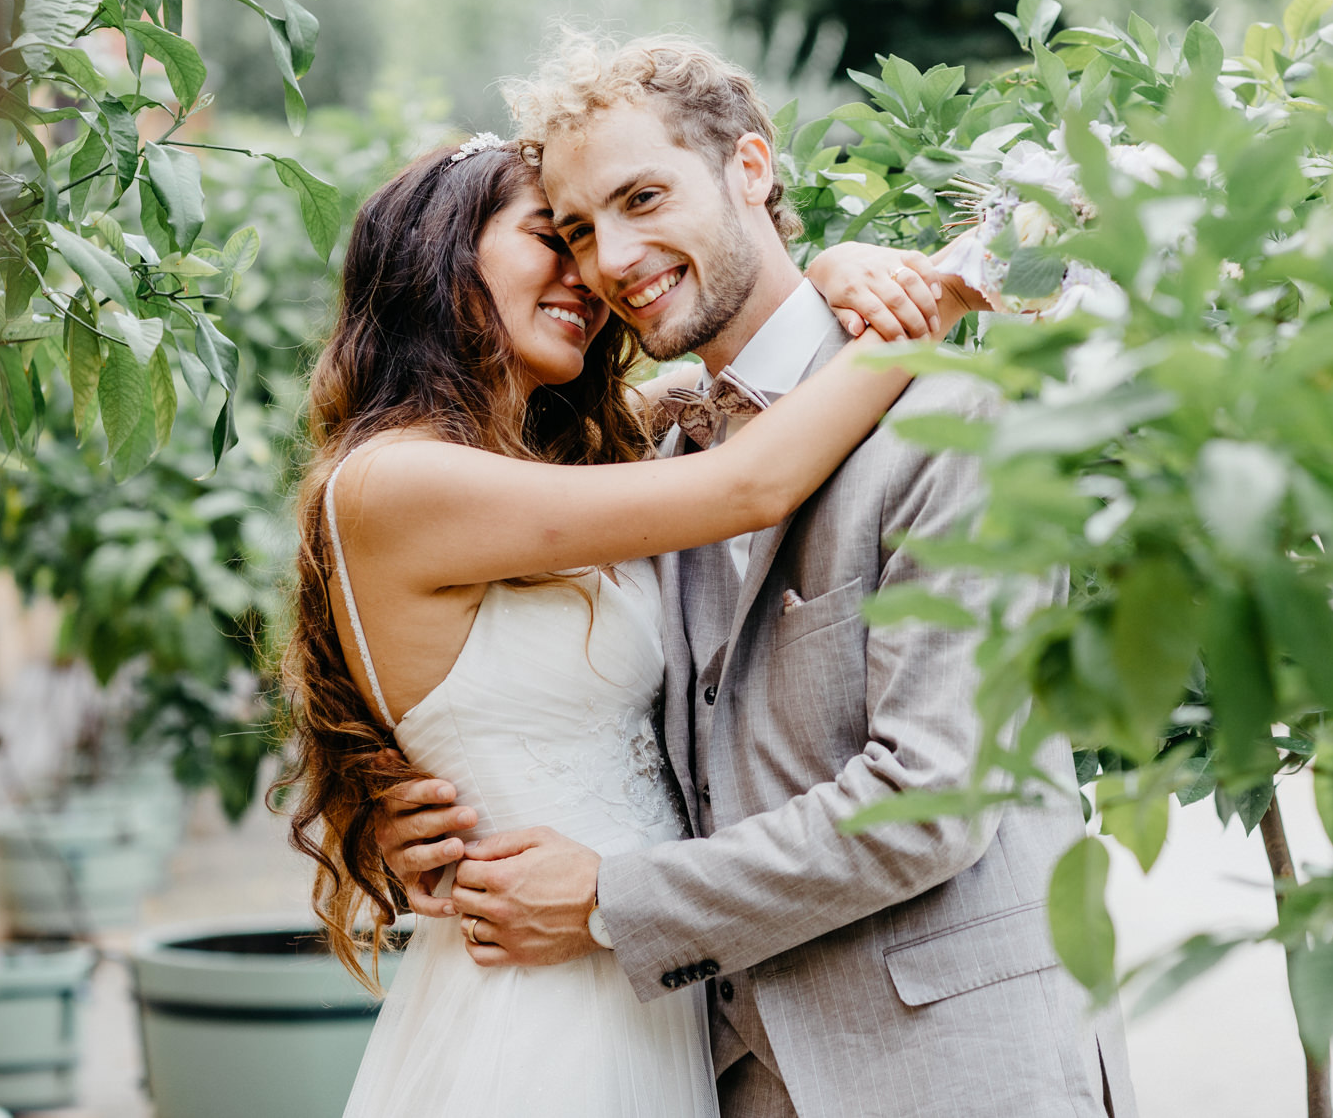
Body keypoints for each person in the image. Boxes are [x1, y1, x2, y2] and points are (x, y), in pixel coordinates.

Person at [376, 39, 1136, 1118]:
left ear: (750, 169)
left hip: (958, 1071)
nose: (611, 260)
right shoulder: (665, 466)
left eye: (644, 197)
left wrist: (605, 899)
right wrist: (420, 818)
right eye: (580, 228)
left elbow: (929, 802)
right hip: (720, 1073)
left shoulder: (952, 410)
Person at [279, 130, 976, 1118]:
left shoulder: (550, 464)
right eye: (550, 236)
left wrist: (836, 270)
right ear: (442, 251)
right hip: (542, 1003)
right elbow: (751, 479)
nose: (594, 271)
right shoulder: (398, 479)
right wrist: (920, 317)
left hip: (645, 978)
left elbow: (747, 386)